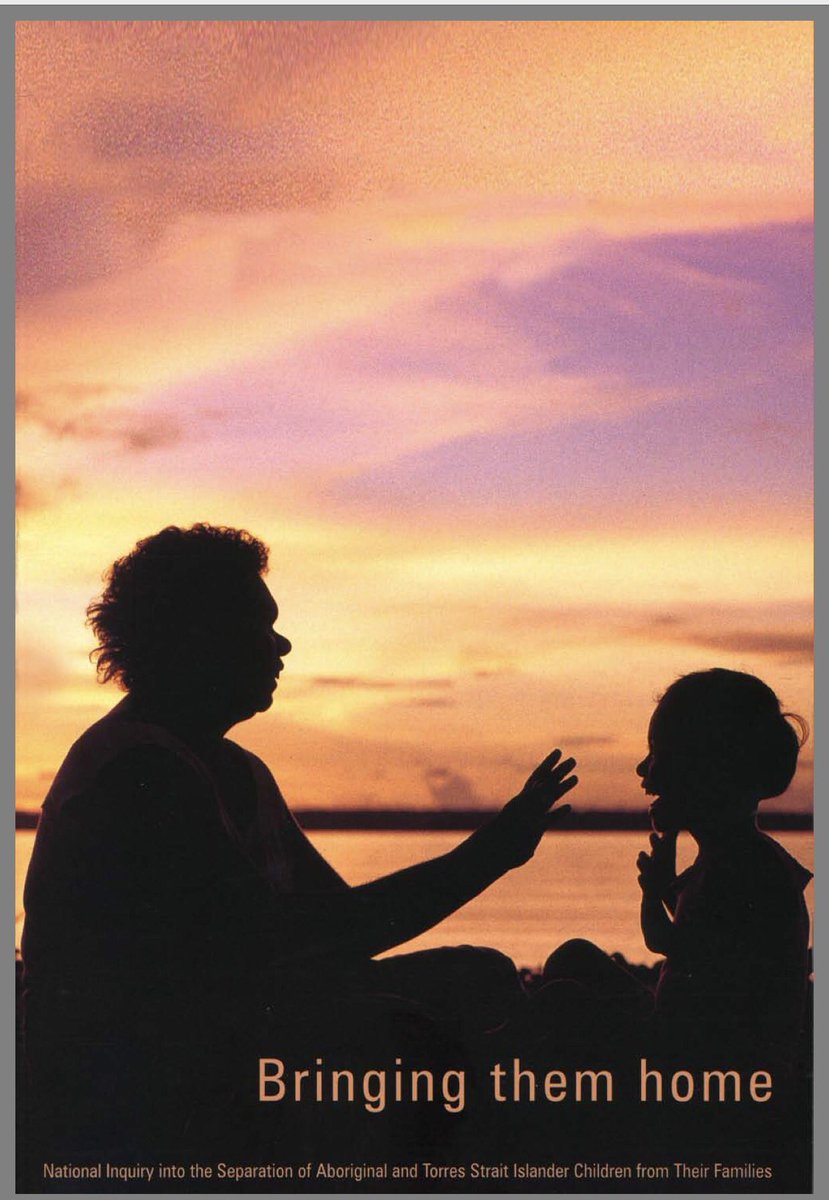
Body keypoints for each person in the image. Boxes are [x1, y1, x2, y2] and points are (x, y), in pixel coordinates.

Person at [21, 523, 577, 1171]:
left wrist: (490, 856)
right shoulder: (139, 770)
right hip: (131, 1084)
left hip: (218, 1040)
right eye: (261, 626)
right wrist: (489, 855)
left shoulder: (238, 770)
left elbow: (337, 926)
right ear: (198, 638)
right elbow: (284, 939)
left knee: (477, 976)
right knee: (423, 1032)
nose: (282, 645)